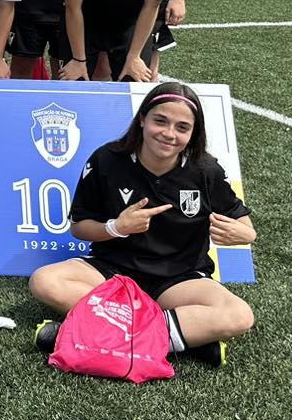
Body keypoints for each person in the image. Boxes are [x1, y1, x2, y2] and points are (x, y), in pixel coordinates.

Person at [30, 82, 256, 367]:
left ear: (193, 134)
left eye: (182, 127)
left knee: (239, 315)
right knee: (44, 281)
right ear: (142, 120)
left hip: (178, 280)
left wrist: (245, 233)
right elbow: (80, 227)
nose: (169, 134)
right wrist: (116, 227)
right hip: (112, 273)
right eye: (160, 121)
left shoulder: (205, 170)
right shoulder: (107, 159)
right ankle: (180, 340)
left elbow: (243, 222)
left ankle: (82, 333)